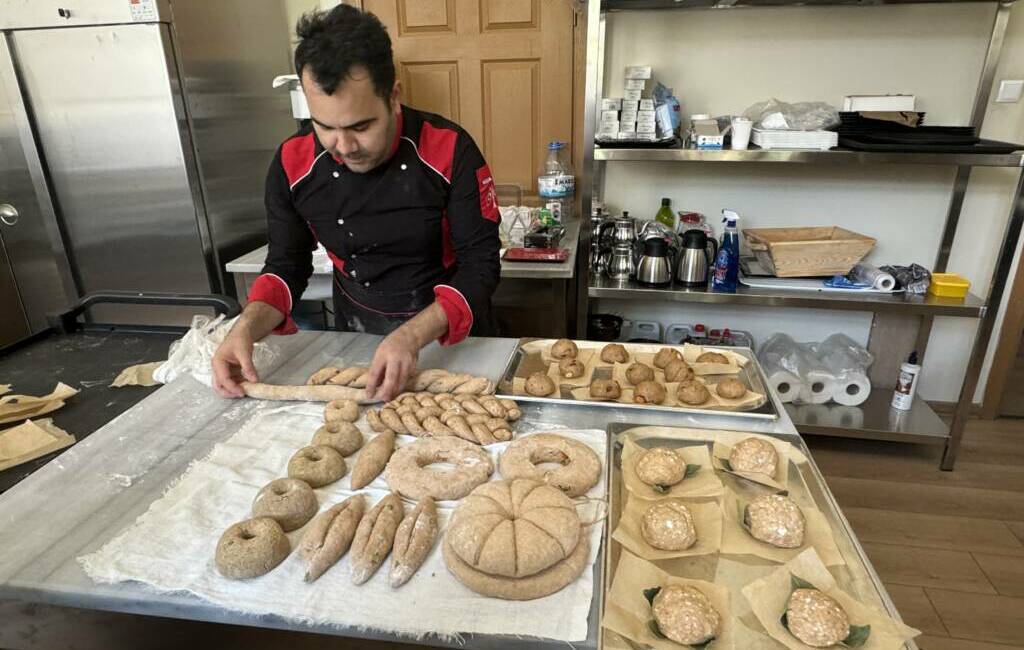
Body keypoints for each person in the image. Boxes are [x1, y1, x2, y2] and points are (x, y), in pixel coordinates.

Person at [212, 5, 501, 402]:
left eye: (361, 127)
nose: (343, 147)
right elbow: (285, 265)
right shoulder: (291, 163)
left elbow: (481, 266)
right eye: (325, 126)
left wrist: (411, 337)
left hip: (447, 336)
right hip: (355, 333)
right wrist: (243, 328)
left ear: (394, 97)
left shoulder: (449, 149)